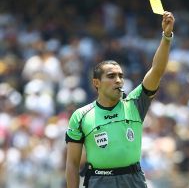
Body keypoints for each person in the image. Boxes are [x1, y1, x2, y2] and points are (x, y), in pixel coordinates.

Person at [65, 11, 175, 188]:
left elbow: (157, 70)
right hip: (99, 181)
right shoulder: (81, 116)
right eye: (111, 76)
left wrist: (167, 36)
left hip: (134, 180)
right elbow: (71, 164)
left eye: (120, 76)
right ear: (96, 83)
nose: (118, 80)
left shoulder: (135, 103)